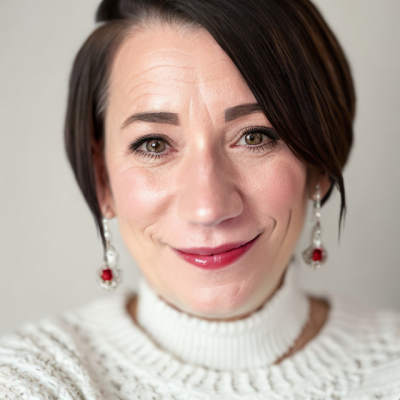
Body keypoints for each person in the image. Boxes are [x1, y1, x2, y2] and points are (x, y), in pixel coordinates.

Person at [1, 0, 399, 398]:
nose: (208, 208)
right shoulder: (32, 381)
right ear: (101, 178)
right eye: (154, 144)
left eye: (254, 137)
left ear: (320, 167)